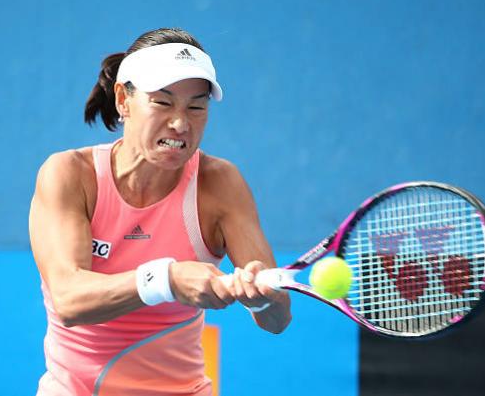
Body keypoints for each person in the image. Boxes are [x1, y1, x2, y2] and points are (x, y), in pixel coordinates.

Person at [29, 27, 291, 396]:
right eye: (163, 103)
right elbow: (69, 299)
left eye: (196, 106)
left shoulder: (221, 184)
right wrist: (168, 279)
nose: (181, 123)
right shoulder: (70, 175)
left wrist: (261, 295)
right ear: (123, 99)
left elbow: (277, 319)